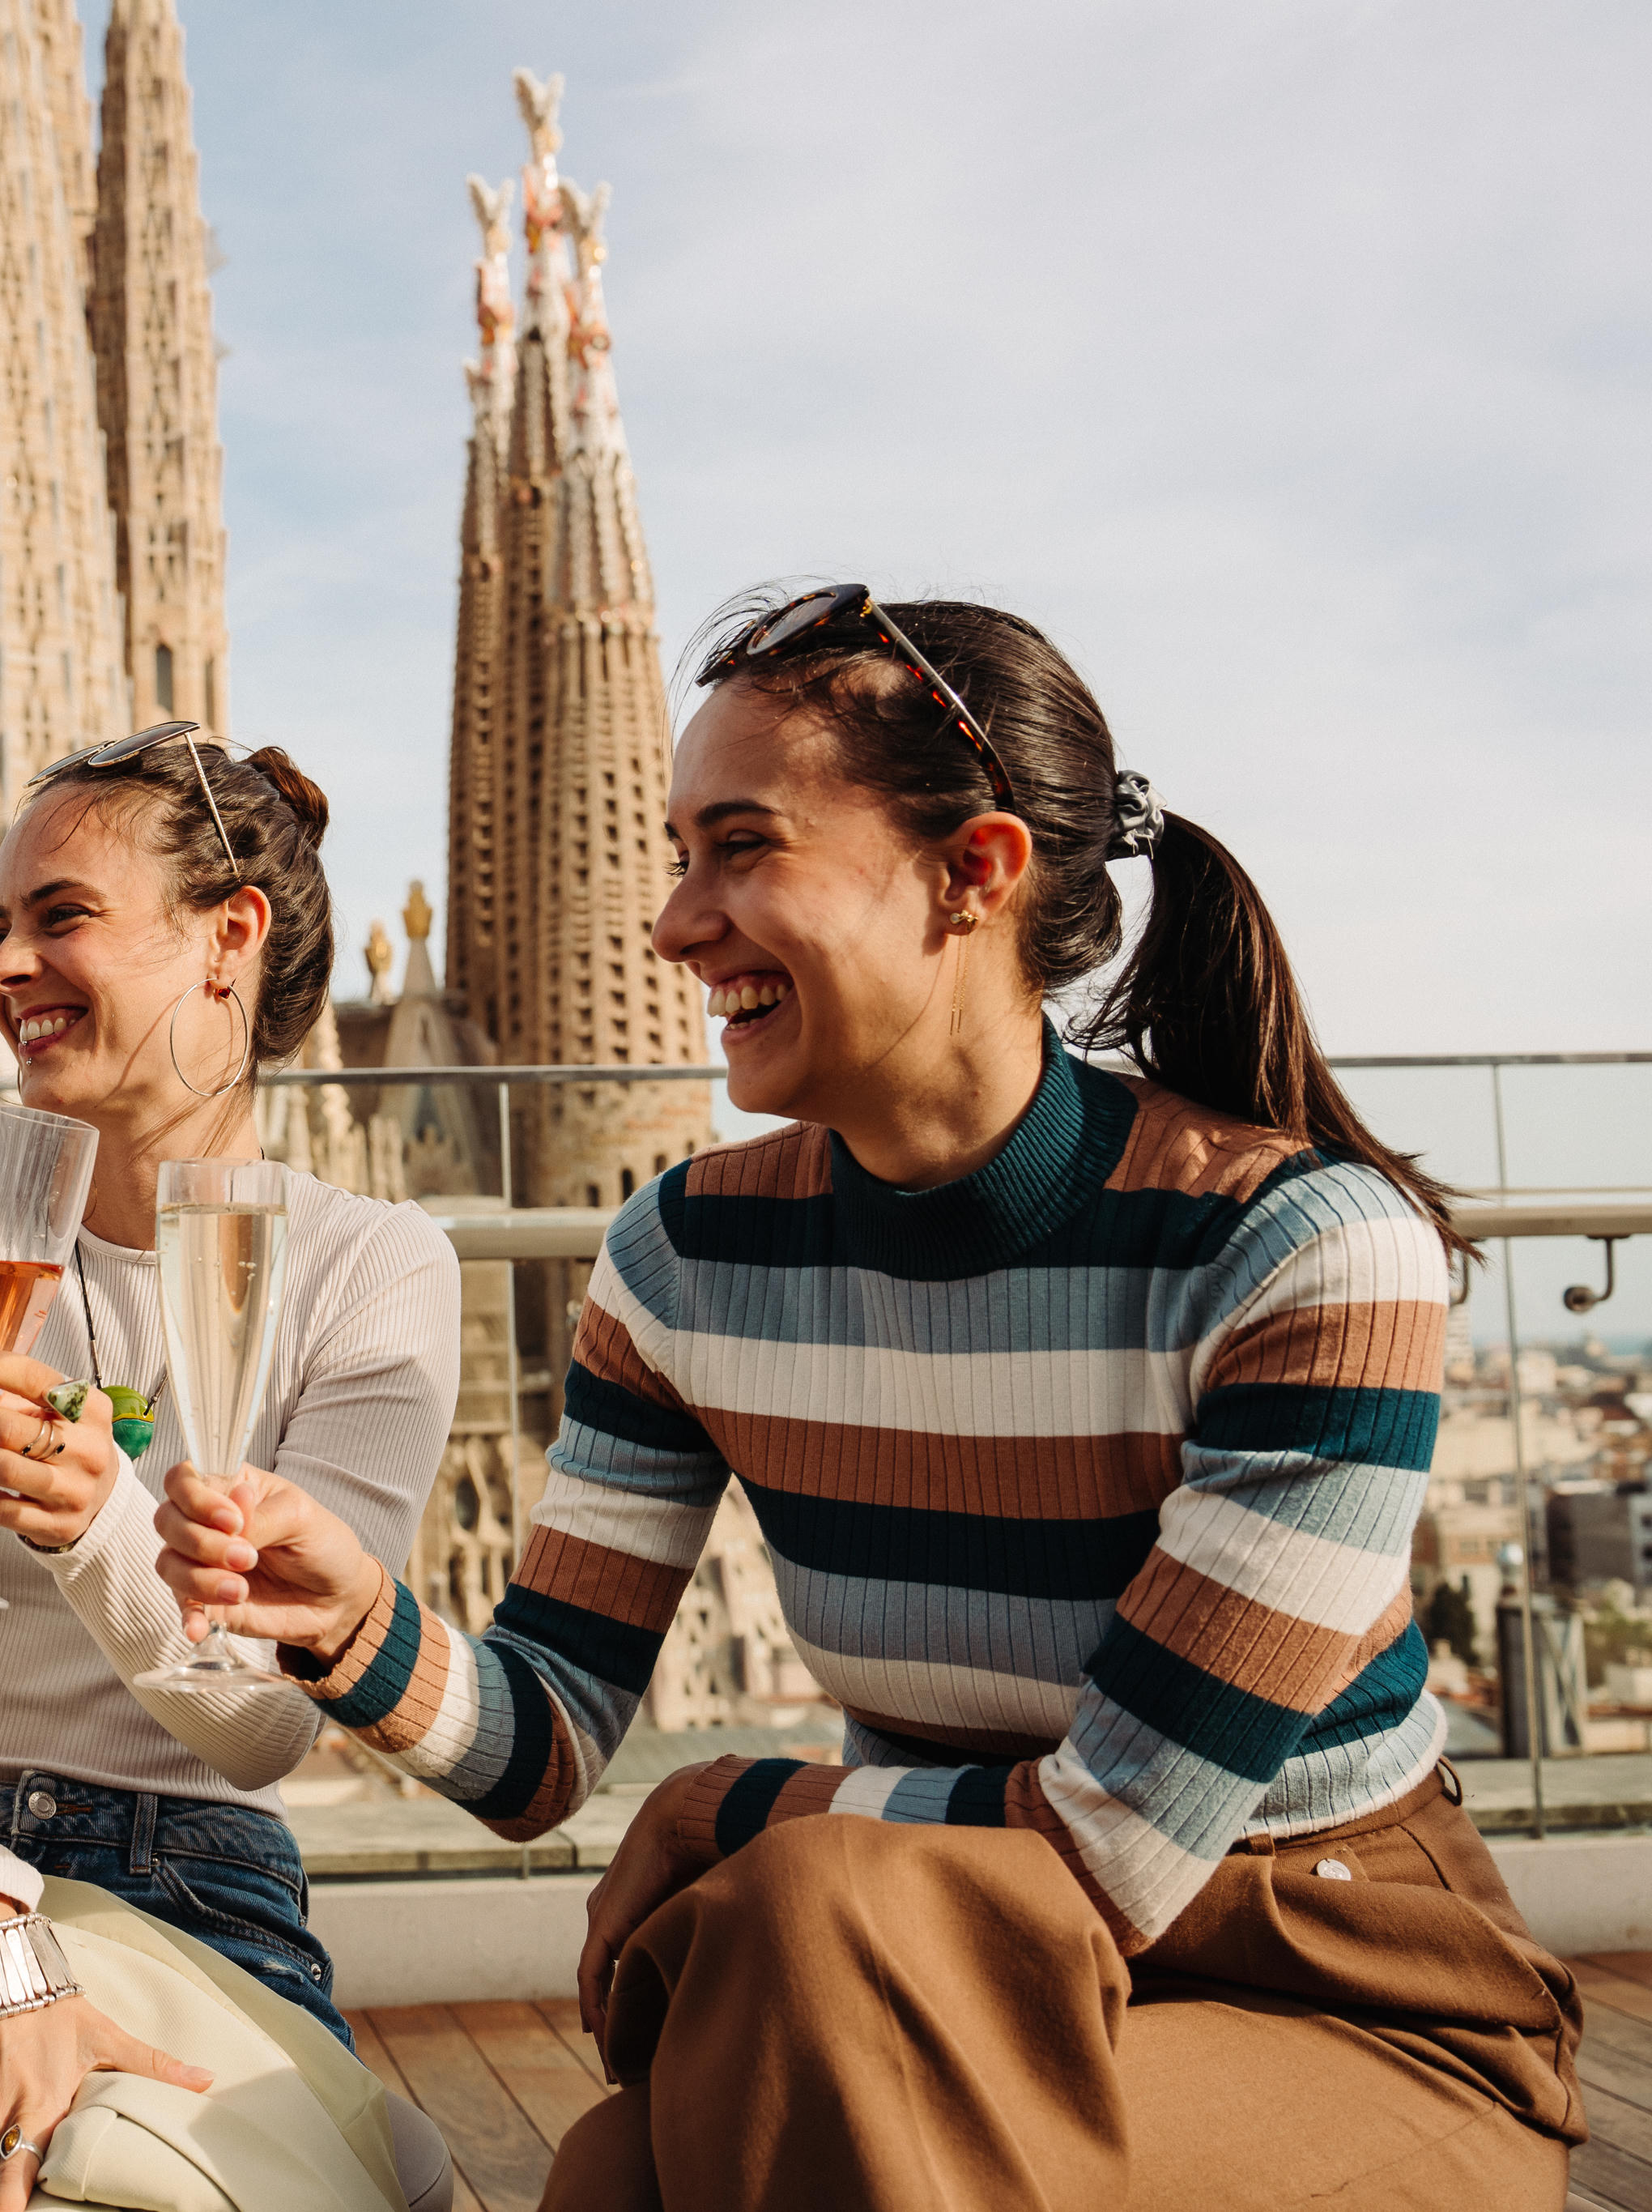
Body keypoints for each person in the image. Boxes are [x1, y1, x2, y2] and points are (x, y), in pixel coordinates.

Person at [153, 590, 1585, 2211]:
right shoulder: (685, 1257)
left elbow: (1114, 1842)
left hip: (1327, 1982)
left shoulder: (1299, 1252)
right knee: (620, 2160)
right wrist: (351, 1622)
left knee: (791, 1942)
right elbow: (544, 1742)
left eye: (740, 849)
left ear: (971, 874)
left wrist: (736, 1805)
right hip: (927, 1962)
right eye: (675, 853)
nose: (671, 924)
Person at [0, 727, 462, 2212]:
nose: (7, 966)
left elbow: (266, 1727)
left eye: (61, 917)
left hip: (201, 1879)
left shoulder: (377, 1270)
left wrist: (96, 1519)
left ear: (228, 939)